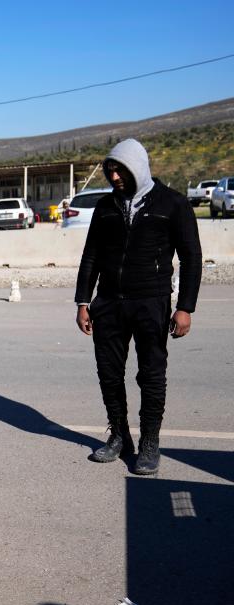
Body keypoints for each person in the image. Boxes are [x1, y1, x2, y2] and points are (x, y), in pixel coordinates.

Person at [75, 138, 201, 475]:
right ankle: (118, 437)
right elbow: (91, 256)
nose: (114, 176)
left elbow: (191, 258)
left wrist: (185, 307)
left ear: (138, 167)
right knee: (109, 374)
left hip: (152, 303)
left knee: (152, 375)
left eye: (120, 170)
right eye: (110, 170)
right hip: (109, 303)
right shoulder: (105, 207)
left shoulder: (172, 204)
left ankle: (149, 443)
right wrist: (83, 301)